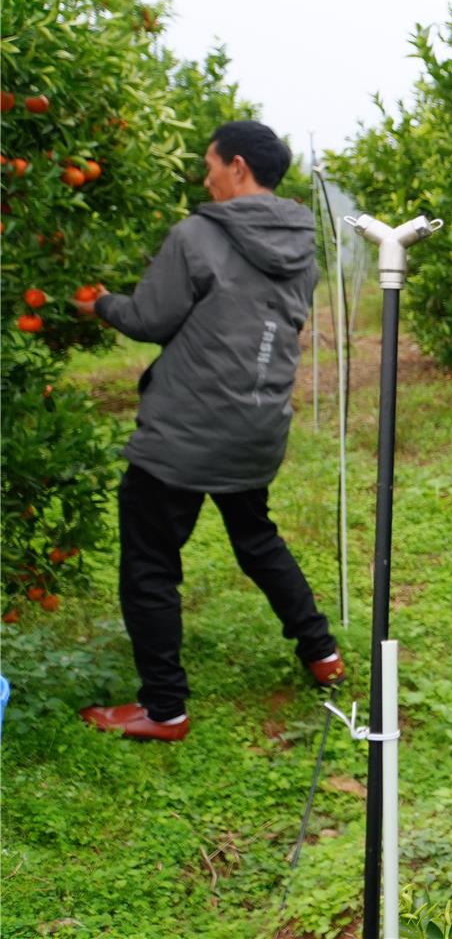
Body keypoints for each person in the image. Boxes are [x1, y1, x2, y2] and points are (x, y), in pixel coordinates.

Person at [77, 120, 343, 742]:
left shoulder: (197, 235)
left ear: (239, 167)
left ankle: (164, 708)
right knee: (256, 536)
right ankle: (320, 651)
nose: (205, 178)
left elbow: (149, 318)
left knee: (149, 562)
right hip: (256, 421)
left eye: (210, 165)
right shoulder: (303, 242)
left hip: (185, 429)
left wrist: (101, 305)